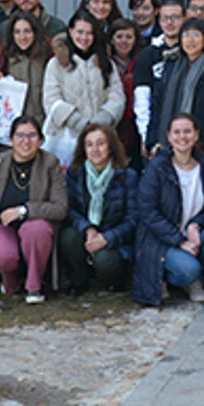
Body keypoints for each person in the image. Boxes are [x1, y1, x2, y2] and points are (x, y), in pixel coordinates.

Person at [0, 116, 67, 303]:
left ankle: (34, 285)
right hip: (2, 227)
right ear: (11, 139)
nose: (25, 141)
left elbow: (60, 207)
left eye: (32, 136)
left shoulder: (50, 164)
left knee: (36, 229)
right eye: (20, 135)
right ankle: (10, 280)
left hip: (34, 227)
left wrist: (24, 211)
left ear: (40, 140)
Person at [131, 113, 204, 305]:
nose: (182, 137)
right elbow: (148, 212)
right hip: (160, 239)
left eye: (187, 131)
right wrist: (180, 240)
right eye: (177, 132)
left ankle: (192, 278)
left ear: (196, 135)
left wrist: (195, 224)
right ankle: (174, 277)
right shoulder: (157, 167)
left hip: (191, 233)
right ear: (169, 136)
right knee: (188, 269)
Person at [58, 123, 138, 295]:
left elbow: (133, 219)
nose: (95, 149)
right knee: (68, 238)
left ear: (111, 147)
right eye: (90, 144)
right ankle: (79, 281)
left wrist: (106, 238)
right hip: (86, 232)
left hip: (115, 240)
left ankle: (115, 281)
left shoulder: (127, 176)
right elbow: (69, 208)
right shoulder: (75, 172)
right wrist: (87, 228)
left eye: (101, 143)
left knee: (104, 260)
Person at [144, 19, 204, 161]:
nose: (190, 40)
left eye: (196, 35)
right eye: (186, 35)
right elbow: (157, 106)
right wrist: (151, 141)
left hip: (203, 148)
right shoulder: (170, 65)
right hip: (167, 145)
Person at [43, 13, 126, 168]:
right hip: (67, 137)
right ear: (71, 31)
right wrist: (77, 121)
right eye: (80, 32)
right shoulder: (56, 64)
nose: (84, 37)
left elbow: (117, 96)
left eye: (89, 33)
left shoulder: (106, 62)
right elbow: (51, 99)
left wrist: (102, 119)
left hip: (102, 137)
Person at [0, 10, 54, 128]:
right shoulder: (4, 55)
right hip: (12, 126)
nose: (22, 37)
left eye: (27, 31)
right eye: (17, 32)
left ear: (35, 32)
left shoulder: (48, 54)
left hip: (45, 125)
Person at [107, 17, 149, 160]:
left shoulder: (143, 61)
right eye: (119, 37)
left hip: (136, 124)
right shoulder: (103, 62)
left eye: (128, 37)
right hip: (112, 122)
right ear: (111, 39)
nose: (124, 41)